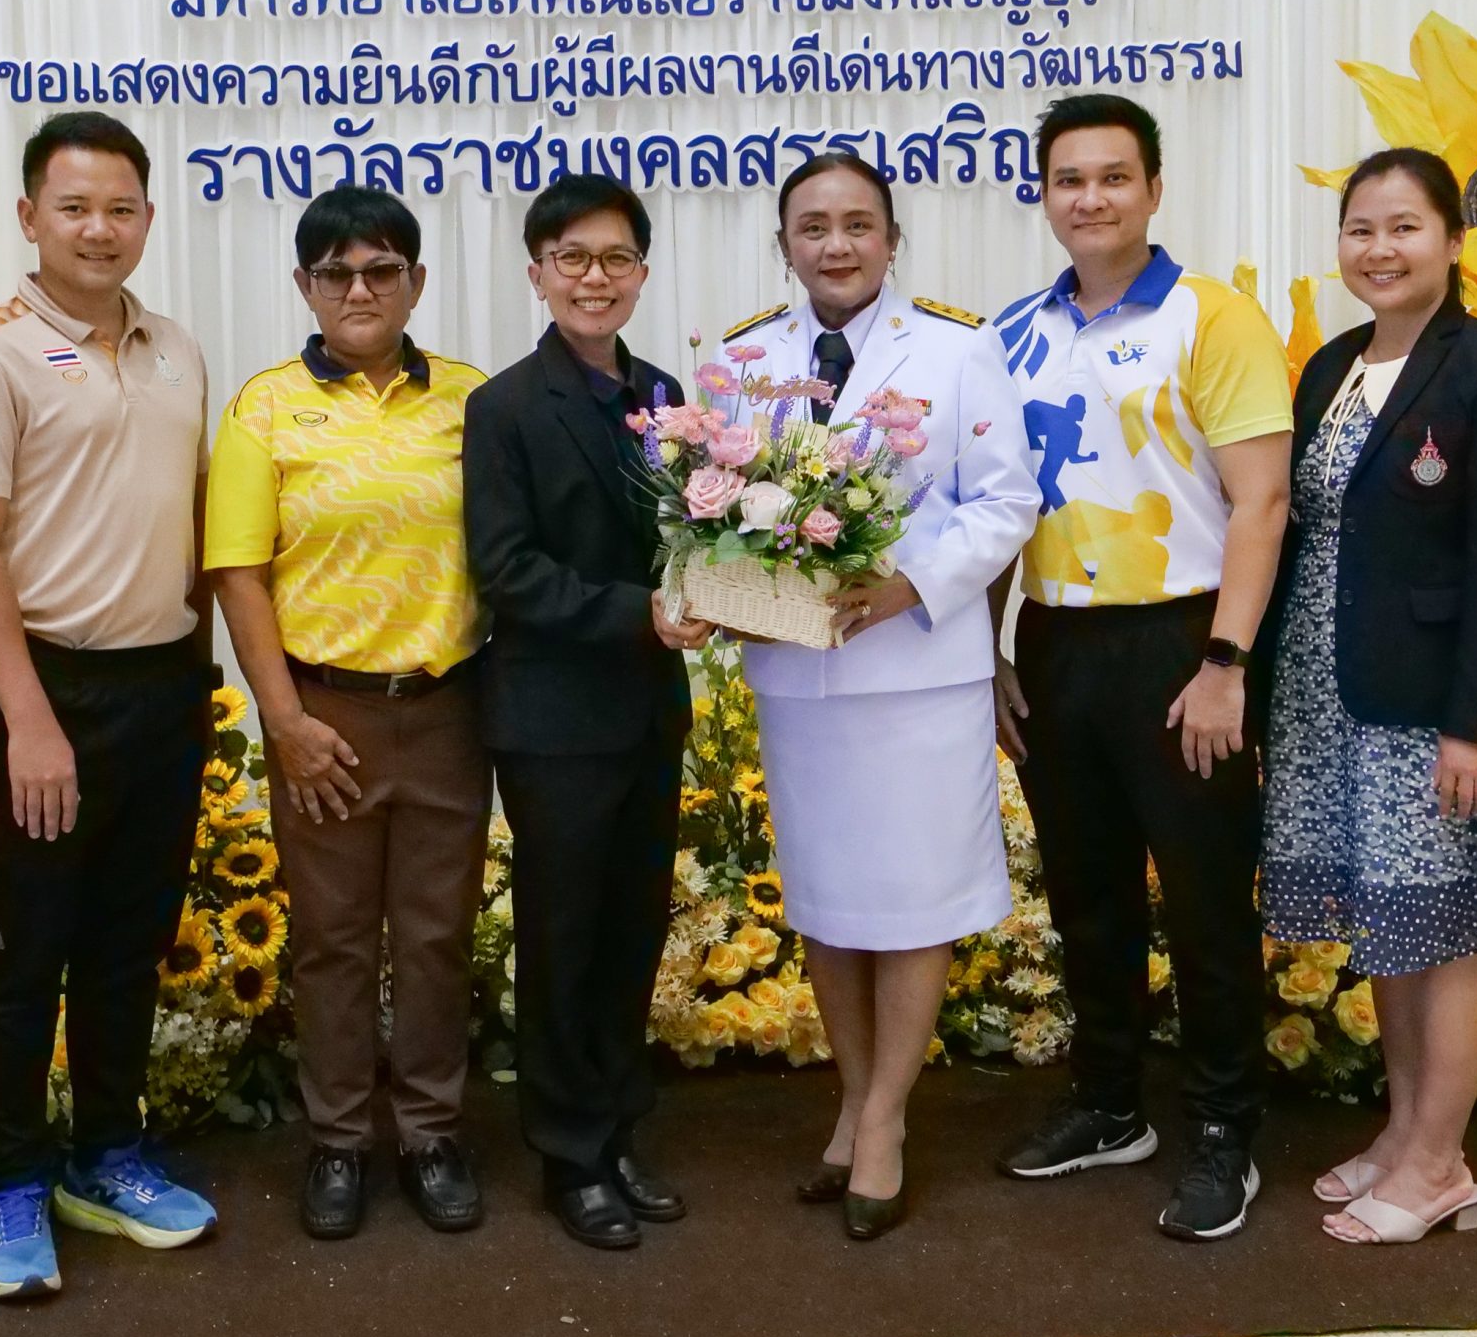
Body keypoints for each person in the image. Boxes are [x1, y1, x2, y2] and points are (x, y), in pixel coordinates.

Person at [712, 152, 1040, 1239]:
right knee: (828, 900)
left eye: (858, 224)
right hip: (800, 676)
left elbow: (1006, 502)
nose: (836, 244)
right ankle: (854, 1099)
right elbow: (715, 508)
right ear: (784, 245)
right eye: (813, 227)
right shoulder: (745, 358)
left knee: (910, 901)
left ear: (893, 240)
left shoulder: (957, 347)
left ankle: (888, 1116)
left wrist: (909, 585)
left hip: (918, 675)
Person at [0, 112, 218, 1301]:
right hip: (40, 690)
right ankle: (14, 1181)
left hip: (162, 686)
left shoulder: (175, 348)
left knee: (125, 943)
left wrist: (201, 680)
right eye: (75, 207)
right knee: (24, 948)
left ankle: (106, 1155)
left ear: (146, 218)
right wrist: (27, 718)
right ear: (29, 217)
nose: (100, 229)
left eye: (120, 209)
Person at [987, 93, 1292, 1242]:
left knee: (1206, 899)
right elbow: (998, 507)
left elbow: (1262, 501)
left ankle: (1223, 1129)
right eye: (1069, 179)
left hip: (1183, 641)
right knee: (1088, 894)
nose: (1092, 198)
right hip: (1055, 644)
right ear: (1044, 195)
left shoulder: (1212, 316)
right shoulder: (1013, 333)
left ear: (1154, 189)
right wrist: (988, 649)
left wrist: (1225, 661)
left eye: (1114, 176)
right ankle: (1110, 1103)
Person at [1256, 147, 1477, 1245]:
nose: (1378, 249)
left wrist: (1475, 723)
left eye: (1403, 227)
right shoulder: (1331, 365)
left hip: (1435, 709)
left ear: (1451, 242)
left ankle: (1440, 1163)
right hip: (1327, 693)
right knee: (1388, 920)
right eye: (1361, 229)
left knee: (1448, 925)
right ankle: (1402, 1134)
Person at [205, 186, 492, 1241]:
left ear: (416, 282)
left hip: (448, 708)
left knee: (435, 934)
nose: (359, 290)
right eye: (336, 273)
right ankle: (336, 1138)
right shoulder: (265, 407)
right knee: (331, 940)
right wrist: (283, 721)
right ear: (304, 285)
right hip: (323, 715)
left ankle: (430, 1131)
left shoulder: (471, 400)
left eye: (381, 270)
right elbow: (238, 573)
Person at [463, 173, 710, 1251]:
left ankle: (617, 1127)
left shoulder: (665, 394)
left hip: (649, 711)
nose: (593, 277)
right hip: (554, 718)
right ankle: (569, 1153)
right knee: (564, 938)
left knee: (632, 928)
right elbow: (507, 570)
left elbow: (693, 540)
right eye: (572, 258)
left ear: (641, 273)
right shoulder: (505, 406)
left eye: (614, 258)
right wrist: (640, 613)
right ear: (538, 273)